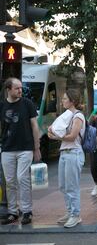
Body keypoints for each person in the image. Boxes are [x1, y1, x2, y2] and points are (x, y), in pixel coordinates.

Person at [0, 78, 41, 225]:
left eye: (21, 88)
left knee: (22, 178)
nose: (20, 91)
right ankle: (13, 211)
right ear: (8, 89)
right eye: (17, 88)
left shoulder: (27, 104)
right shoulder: (2, 105)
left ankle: (27, 211)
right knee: (10, 181)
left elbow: (35, 126)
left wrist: (37, 147)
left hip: (25, 148)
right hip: (7, 148)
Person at [48, 89, 86, 228]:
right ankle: (70, 212)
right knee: (63, 186)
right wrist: (52, 132)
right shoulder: (66, 115)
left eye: (65, 99)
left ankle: (76, 215)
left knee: (71, 186)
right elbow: (57, 131)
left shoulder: (78, 116)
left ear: (72, 101)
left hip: (74, 153)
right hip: (64, 153)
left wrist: (56, 136)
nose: (62, 101)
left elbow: (72, 136)